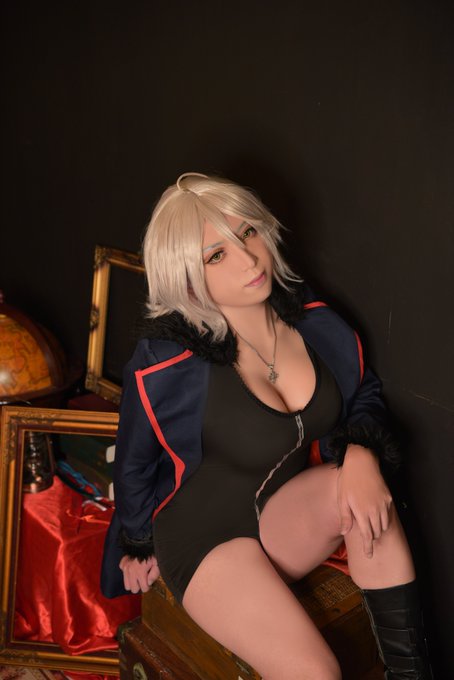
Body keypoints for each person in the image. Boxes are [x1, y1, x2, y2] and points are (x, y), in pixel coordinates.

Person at [101, 173, 432, 680]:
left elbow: (363, 391)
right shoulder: (167, 362)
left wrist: (362, 454)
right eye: (217, 255)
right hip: (205, 541)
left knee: (369, 503)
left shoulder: (315, 322)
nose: (249, 260)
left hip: (282, 516)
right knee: (316, 672)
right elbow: (134, 462)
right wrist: (136, 540)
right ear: (186, 277)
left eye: (249, 233)